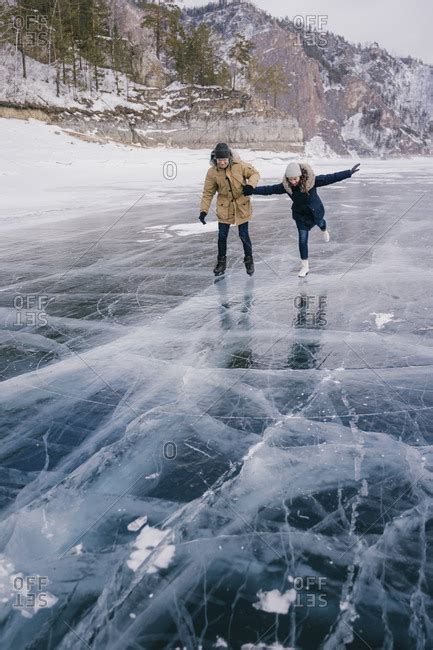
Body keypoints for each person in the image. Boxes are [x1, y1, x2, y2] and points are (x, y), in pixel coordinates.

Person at [244, 161, 360, 277]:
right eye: (290, 179)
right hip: (301, 215)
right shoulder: (287, 186)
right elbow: (269, 190)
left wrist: (348, 172)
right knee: (302, 239)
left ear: (300, 176)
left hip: (314, 212)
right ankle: (305, 267)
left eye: (295, 179)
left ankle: (324, 230)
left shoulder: (312, 181)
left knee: (321, 223)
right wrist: (251, 190)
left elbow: (331, 177)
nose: (293, 182)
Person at [198, 142, 260, 276]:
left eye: (225, 160)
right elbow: (208, 193)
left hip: (241, 206)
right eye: (220, 160)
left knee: (244, 235)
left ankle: (249, 260)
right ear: (216, 159)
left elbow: (255, 174)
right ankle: (221, 262)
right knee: (222, 236)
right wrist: (203, 211)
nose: (222, 163)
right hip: (224, 207)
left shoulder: (240, 165)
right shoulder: (212, 172)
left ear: (229, 158)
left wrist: (251, 186)